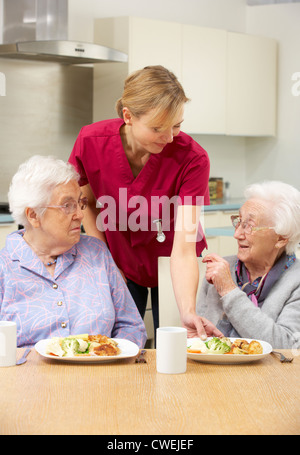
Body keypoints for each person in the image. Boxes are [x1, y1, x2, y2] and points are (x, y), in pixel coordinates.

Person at [69, 65, 222, 340]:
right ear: (128, 116)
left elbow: (184, 249)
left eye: (176, 125)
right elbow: (87, 204)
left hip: (174, 261)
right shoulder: (91, 141)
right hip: (121, 259)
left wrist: (187, 309)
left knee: (180, 344)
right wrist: (105, 260)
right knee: (118, 347)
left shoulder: (193, 158)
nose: (170, 137)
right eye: (158, 128)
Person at [0, 155, 147, 348]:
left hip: (99, 375)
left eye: (80, 203)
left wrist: (111, 355)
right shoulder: (5, 268)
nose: (80, 214)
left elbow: (132, 326)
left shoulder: (96, 252)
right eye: (67, 206)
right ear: (34, 215)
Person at [197, 181, 300, 349]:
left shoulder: (296, 281)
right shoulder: (222, 269)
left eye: (249, 226)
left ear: (281, 238)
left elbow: (288, 346)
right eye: (238, 221)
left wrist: (229, 291)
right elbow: (199, 338)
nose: (237, 234)